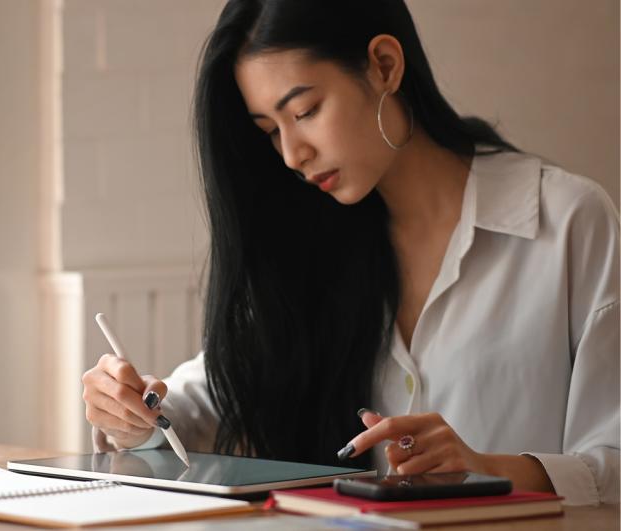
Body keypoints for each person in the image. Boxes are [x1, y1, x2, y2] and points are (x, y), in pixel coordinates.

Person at [81, 0, 619, 505]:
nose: (292, 154)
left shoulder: (567, 223)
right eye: (269, 130)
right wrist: (136, 413)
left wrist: (490, 469)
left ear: (384, 66)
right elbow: (208, 395)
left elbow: (613, 462)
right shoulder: (307, 248)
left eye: (306, 111)